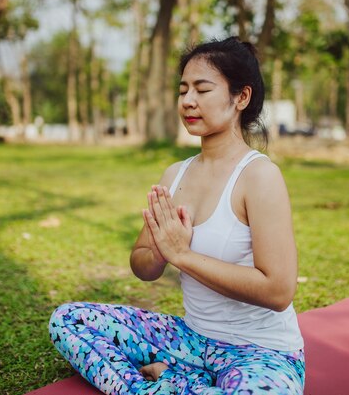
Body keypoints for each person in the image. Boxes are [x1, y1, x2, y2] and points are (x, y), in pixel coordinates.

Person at [49, 37, 305, 395]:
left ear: (240, 98)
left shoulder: (259, 176)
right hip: (190, 341)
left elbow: (278, 290)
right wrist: (159, 250)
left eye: (202, 89)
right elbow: (142, 266)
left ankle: (167, 383)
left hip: (259, 352)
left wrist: (183, 256)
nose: (187, 101)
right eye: (183, 89)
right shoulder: (175, 175)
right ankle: (174, 384)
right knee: (68, 320)